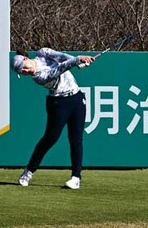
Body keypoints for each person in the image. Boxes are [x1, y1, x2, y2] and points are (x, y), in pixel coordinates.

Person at [12, 47, 95, 190]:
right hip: (58, 103)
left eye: (23, 68)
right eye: (21, 72)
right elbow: (57, 70)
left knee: (76, 139)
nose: (25, 72)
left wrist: (79, 61)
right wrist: (76, 60)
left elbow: (61, 57)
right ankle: (28, 172)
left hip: (76, 98)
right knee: (50, 138)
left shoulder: (42, 53)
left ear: (25, 59)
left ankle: (76, 177)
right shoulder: (38, 77)